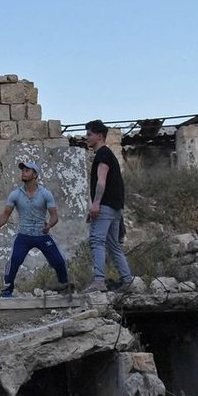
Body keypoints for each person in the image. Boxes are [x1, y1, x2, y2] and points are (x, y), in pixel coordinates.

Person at [0, 161, 70, 298]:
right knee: (14, 260)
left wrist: (49, 225)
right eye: (23, 170)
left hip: (42, 234)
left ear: (35, 175)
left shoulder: (45, 194)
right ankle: (7, 290)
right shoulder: (15, 194)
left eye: (27, 170)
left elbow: (54, 216)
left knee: (59, 261)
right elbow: (5, 215)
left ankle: (65, 288)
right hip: (23, 235)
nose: (23, 172)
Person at [84, 120, 134, 293]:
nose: (87, 137)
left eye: (89, 134)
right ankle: (127, 280)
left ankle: (99, 281)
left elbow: (101, 181)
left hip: (105, 205)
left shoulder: (103, 154)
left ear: (99, 135)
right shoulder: (108, 154)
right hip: (115, 207)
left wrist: (96, 204)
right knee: (113, 245)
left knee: (96, 241)